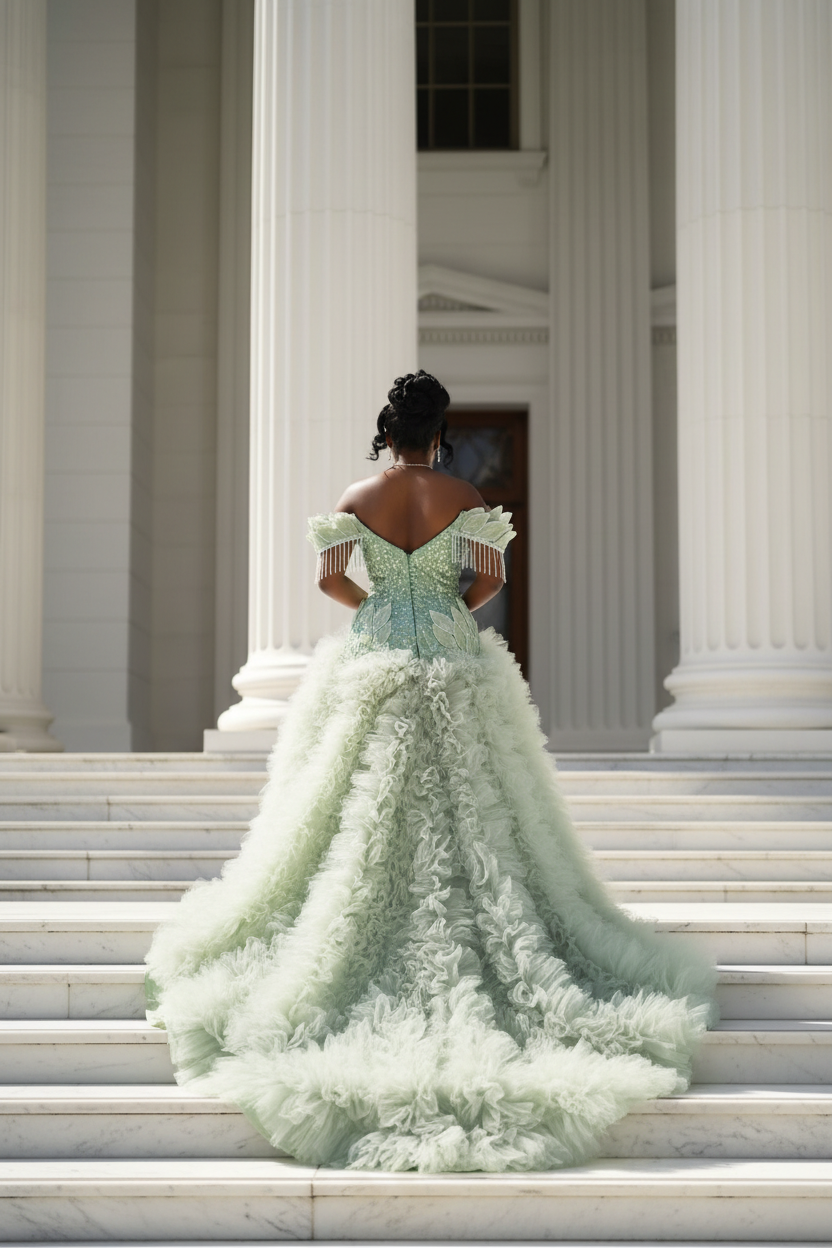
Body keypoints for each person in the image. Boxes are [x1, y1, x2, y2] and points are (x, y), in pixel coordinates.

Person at [144, 369, 718, 1174]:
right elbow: (491, 581)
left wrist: (382, 604)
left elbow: (330, 579)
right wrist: (443, 602)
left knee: (352, 812)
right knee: (481, 808)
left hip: (376, 650)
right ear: (440, 434)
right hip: (452, 653)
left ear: (387, 433)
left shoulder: (356, 497)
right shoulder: (467, 496)